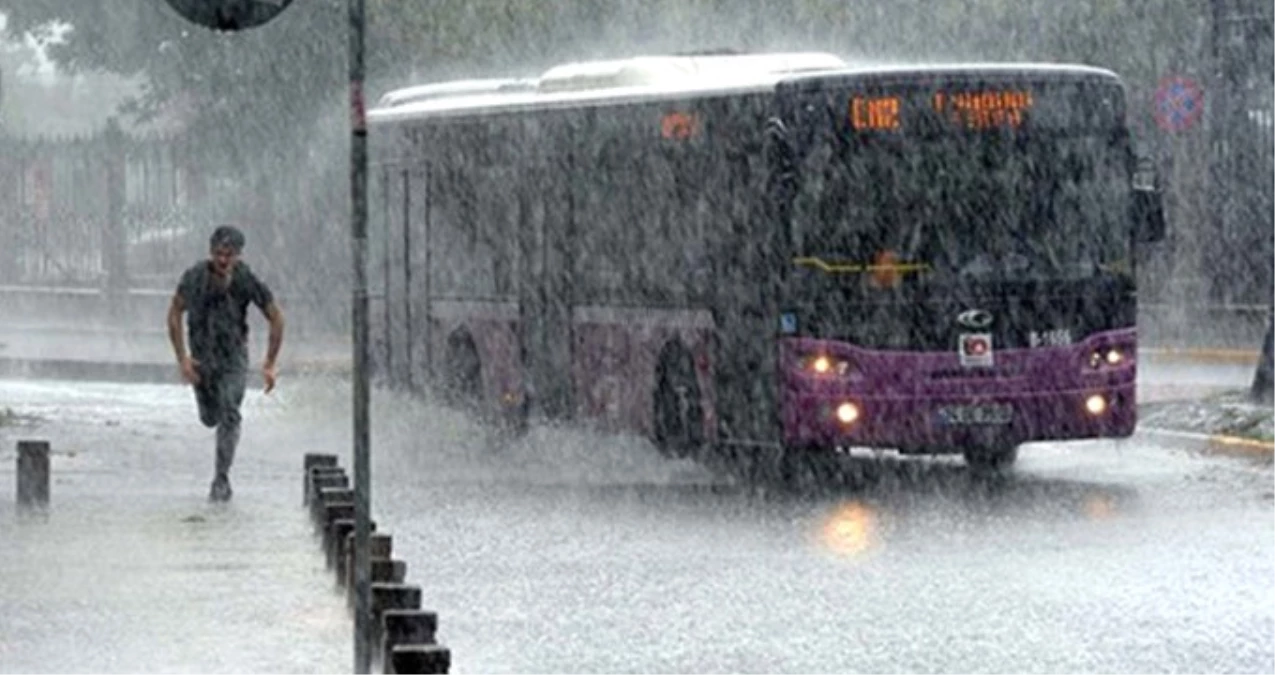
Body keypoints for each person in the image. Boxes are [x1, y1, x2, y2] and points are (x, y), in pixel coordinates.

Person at [167, 225, 285, 501]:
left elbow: (276, 317)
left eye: (229, 255)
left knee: (229, 411)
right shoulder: (195, 277)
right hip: (202, 360)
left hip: (233, 359)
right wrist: (182, 358)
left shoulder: (245, 279)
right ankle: (212, 412)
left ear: (238, 256)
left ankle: (221, 479)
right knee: (210, 417)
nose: (223, 260)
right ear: (211, 253)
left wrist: (269, 362)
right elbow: (174, 313)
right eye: (218, 254)